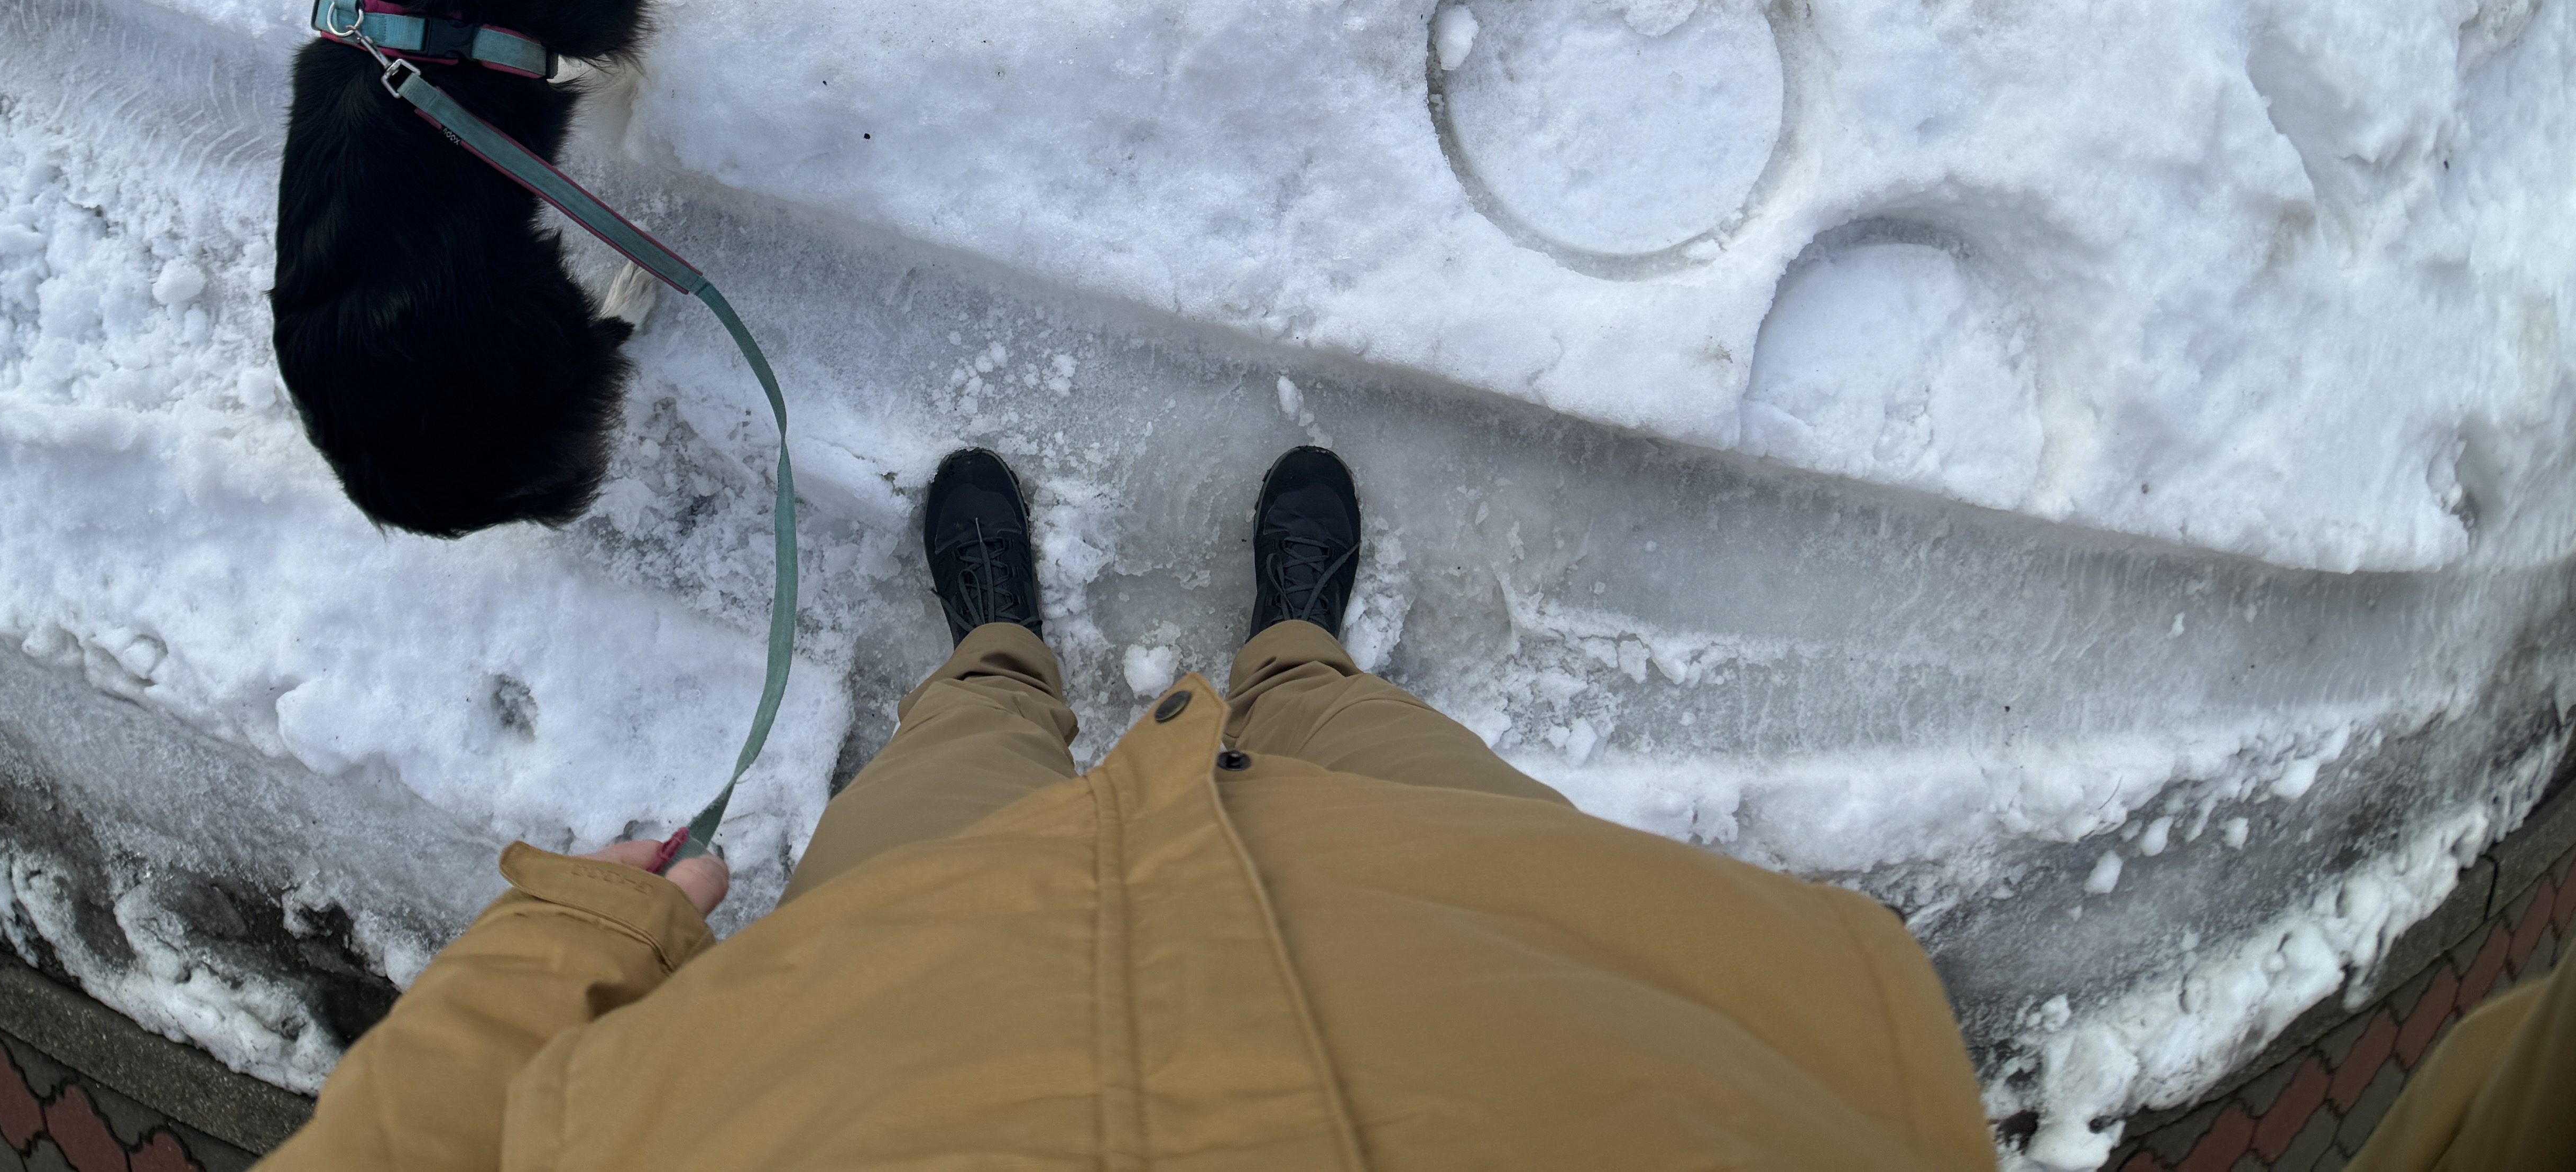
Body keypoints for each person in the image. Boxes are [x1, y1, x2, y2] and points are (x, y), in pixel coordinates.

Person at [264, 443, 2011, 1168]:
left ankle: (1003, 656)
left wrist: (562, 949)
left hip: (863, 1056)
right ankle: (1301, 658)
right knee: (1375, 764)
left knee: (955, 776)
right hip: (1499, 1011)